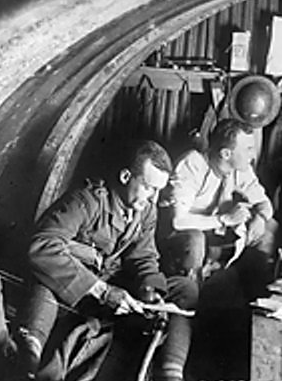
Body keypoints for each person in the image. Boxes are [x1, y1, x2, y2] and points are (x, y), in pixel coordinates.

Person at [16, 140, 197, 381]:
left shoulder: (144, 210)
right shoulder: (85, 201)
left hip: (110, 280)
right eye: (149, 188)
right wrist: (103, 291)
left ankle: (171, 372)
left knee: (185, 288)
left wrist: (150, 289)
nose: (154, 198)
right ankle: (27, 358)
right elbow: (41, 246)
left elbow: (143, 255)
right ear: (125, 177)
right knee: (45, 284)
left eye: (158, 191)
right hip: (75, 281)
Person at [160, 118, 277, 300]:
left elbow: (264, 202)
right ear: (226, 154)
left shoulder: (240, 168)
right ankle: (192, 302)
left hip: (214, 233)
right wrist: (224, 219)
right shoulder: (192, 165)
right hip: (176, 236)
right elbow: (178, 221)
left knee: (269, 229)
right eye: (247, 149)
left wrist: (260, 217)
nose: (252, 155)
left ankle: (256, 300)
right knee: (195, 239)